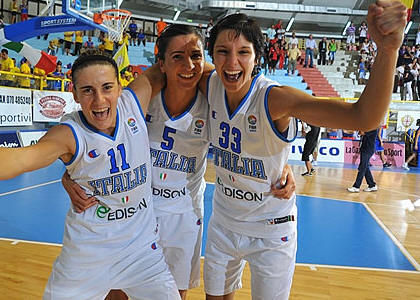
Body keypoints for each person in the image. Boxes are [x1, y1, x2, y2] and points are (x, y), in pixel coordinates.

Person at [62, 25, 297, 300]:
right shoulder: (143, 98)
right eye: (176, 57)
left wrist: (284, 164)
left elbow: (249, 137)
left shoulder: (212, 99)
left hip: (183, 216)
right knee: (117, 293)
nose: (189, 65)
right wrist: (69, 177)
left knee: (173, 294)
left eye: (196, 56)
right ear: (161, 61)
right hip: (136, 215)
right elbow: (98, 139)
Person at [199, 2, 405, 298]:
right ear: (213, 55)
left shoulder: (275, 99)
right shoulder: (208, 82)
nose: (232, 62)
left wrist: (388, 51)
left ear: (257, 57)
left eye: (243, 52)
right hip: (223, 222)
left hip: (271, 229)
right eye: (223, 51)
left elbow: (364, 118)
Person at [0, 50, 182, 300]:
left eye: (107, 87)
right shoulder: (69, 133)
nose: (99, 100)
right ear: (74, 93)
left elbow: (174, 66)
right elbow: (21, 159)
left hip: (142, 254)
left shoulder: (133, 102)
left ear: (120, 87)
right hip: (87, 257)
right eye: (87, 90)